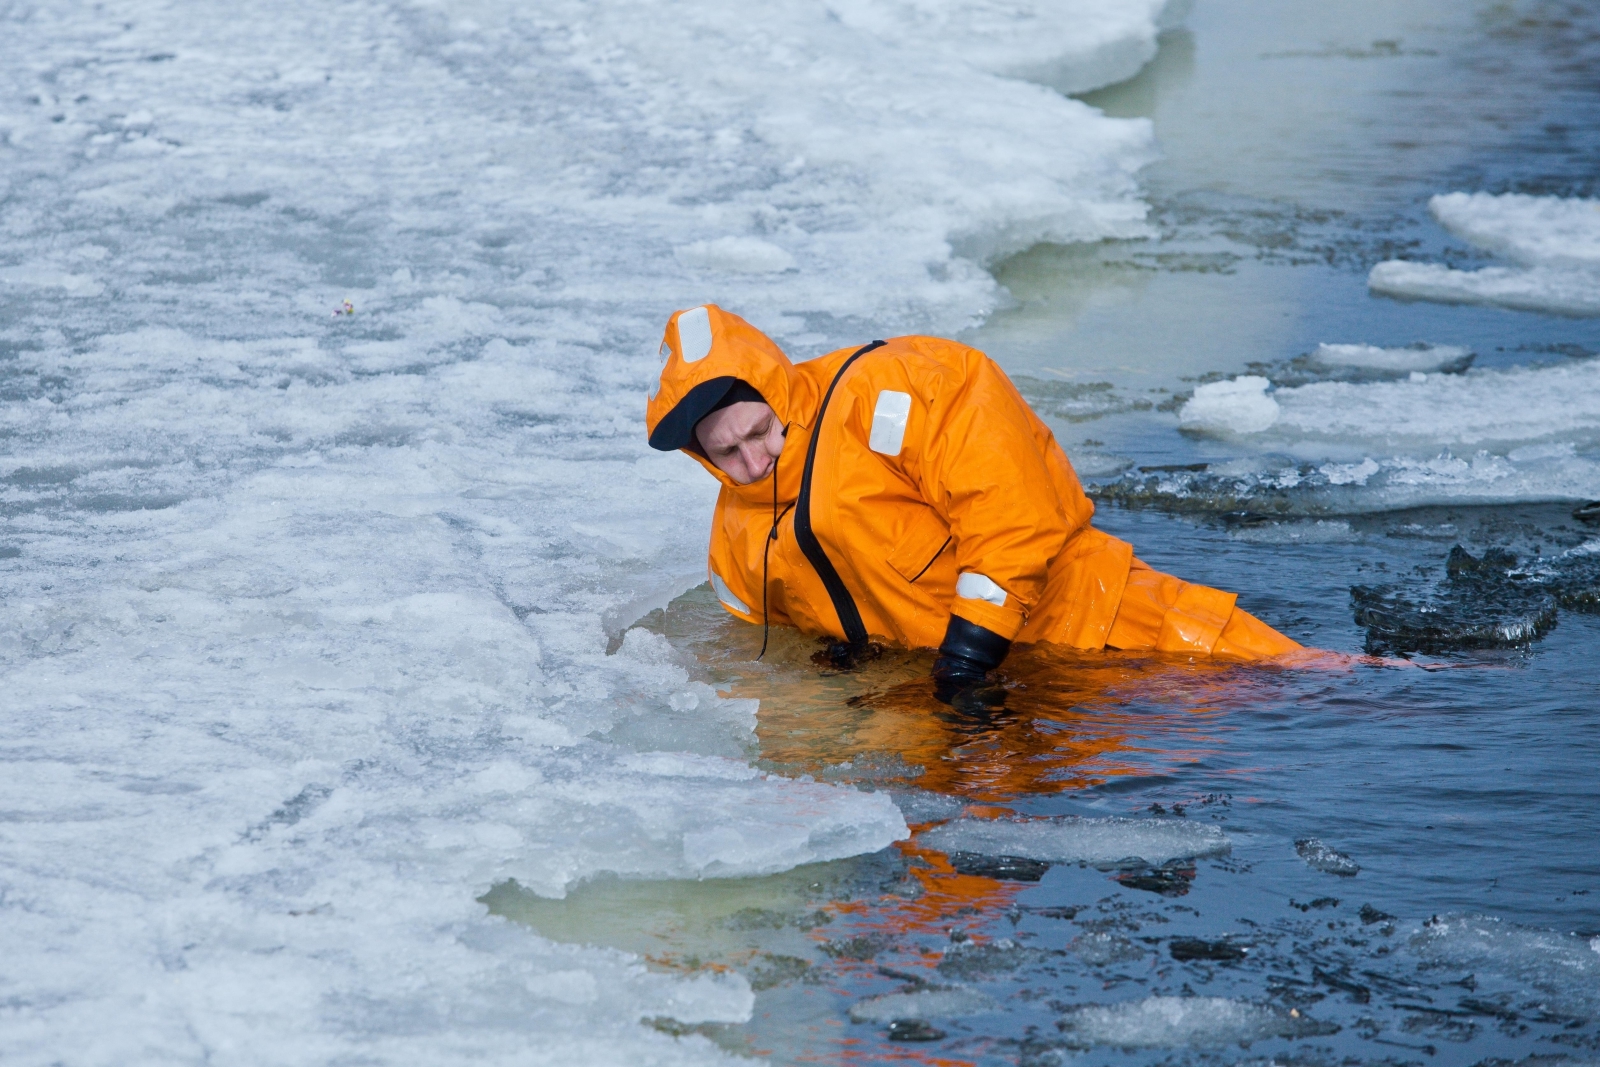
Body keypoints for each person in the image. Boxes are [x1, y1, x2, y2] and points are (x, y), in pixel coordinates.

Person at [644, 304, 1302, 707]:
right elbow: (776, 645)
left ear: (774, 391)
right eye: (726, 453)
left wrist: (968, 651)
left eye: (758, 432)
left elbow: (1012, 512)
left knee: (1320, 687)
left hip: (1098, 624)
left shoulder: (899, 386)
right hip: (969, 706)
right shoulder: (736, 539)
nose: (752, 461)